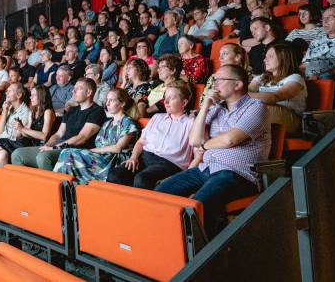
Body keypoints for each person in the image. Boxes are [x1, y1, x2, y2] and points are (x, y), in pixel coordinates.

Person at [156, 64, 270, 238]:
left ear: (237, 84)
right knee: (160, 192)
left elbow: (230, 139)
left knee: (198, 204)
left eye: (219, 80)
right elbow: (194, 140)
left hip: (238, 175)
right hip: (206, 169)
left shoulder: (256, 107)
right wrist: (205, 106)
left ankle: (204, 251)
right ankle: (165, 241)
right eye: (213, 80)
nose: (214, 84)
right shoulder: (216, 109)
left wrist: (204, 146)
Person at [107, 82, 199, 190]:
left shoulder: (192, 123)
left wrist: (184, 176)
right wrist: (133, 157)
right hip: (144, 157)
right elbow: (141, 142)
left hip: (169, 164)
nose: (166, 102)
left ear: (184, 102)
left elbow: (198, 155)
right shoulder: (156, 117)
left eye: (171, 98)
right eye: (165, 97)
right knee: (115, 175)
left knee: (142, 179)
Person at [11, 78, 105, 171]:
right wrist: (47, 145)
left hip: (75, 150)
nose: (73, 91)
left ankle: (53, 181)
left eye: (78, 89)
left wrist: (55, 147)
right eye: (74, 88)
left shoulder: (97, 111)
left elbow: (81, 138)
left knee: (43, 157)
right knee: (17, 154)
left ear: (88, 92)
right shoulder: (71, 110)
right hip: (59, 146)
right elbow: (58, 134)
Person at [54, 88, 138, 184]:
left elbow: (117, 148)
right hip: (100, 156)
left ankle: (61, 185)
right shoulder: (107, 123)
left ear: (122, 103)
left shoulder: (127, 122)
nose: (107, 103)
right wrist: (92, 151)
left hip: (113, 160)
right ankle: (66, 186)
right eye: (107, 100)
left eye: (111, 100)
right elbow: (99, 144)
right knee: (67, 155)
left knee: (68, 153)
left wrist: (91, 151)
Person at [248, 43, 307, 136]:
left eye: (270, 56)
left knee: (257, 110)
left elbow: (275, 97)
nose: (265, 60)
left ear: (283, 58)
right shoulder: (261, 78)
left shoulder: (295, 78)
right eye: (265, 57)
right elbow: (247, 91)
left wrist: (243, 97)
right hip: (265, 113)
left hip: (290, 118)